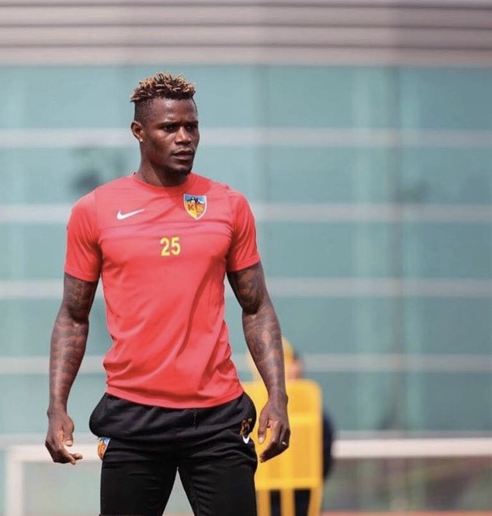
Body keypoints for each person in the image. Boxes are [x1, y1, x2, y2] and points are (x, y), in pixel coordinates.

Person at [44, 72, 290, 516]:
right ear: (139, 132)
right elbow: (73, 316)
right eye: (169, 127)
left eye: (191, 127)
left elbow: (256, 307)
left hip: (217, 416)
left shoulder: (228, 205)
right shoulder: (94, 211)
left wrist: (278, 394)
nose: (184, 138)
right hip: (133, 416)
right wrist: (56, 406)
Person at [271, 347, 335, 516]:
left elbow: (324, 450)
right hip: (270, 492)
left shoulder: (313, 411)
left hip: (303, 493)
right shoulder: (261, 406)